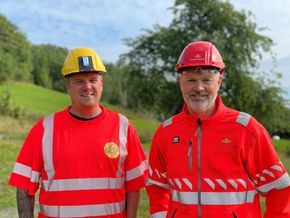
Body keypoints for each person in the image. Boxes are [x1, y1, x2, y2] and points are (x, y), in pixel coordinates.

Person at [146, 41, 290, 218]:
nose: (198, 88)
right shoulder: (166, 132)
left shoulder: (247, 129)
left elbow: (280, 188)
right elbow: (156, 186)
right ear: (180, 82)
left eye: (207, 80)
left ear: (219, 82)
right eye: (191, 80)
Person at [9, 48, 148, 218]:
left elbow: (133, 187)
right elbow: (23, 187)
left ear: (101, 84)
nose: (87, 86)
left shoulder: (123, 126)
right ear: (67, 86)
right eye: (79, 81)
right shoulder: (45, 128)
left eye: (93, 80)